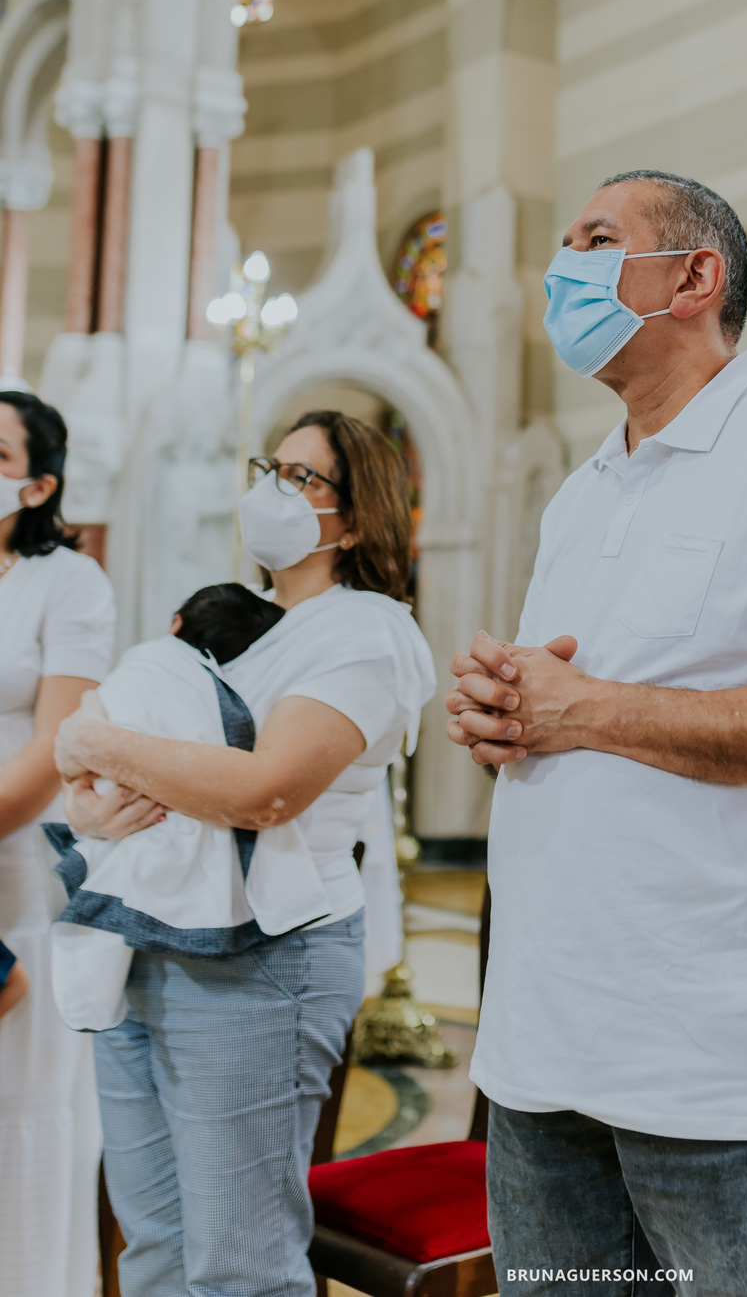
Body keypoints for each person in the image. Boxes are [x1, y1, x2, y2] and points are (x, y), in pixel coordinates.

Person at [446, 172, 747, 1297]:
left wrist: (581, 708)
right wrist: (505, 716)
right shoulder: (583, 493)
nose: (563, 269)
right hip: (544, 1054)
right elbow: (569, 717)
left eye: (597, 240)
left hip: (719, 1073)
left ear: (697, 277)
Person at [55, 411, 437, 1297]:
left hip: (263, 961)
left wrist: (93, 740)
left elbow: (264, 791)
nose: (275, 489)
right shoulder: (236, 622)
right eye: (274, 467)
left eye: (305, 479)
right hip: (143, 935)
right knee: (150, 1245)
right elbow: (125, 750)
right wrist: (96, 785)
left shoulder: (365, 629)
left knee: (239, 1266)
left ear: (357, 518)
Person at [46, 582, 329, 1034]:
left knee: (119, 872)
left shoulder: (144, 660)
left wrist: (85, 768)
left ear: (176, 624)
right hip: (181, 814)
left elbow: (80, 732)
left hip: (133, 803)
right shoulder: (225, 689)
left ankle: (89, 996)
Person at [0, 388, 117, 1297]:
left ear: (37, 487)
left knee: (19, 1118)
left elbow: (56, 742)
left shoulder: (67, 582)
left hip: (19, 872)